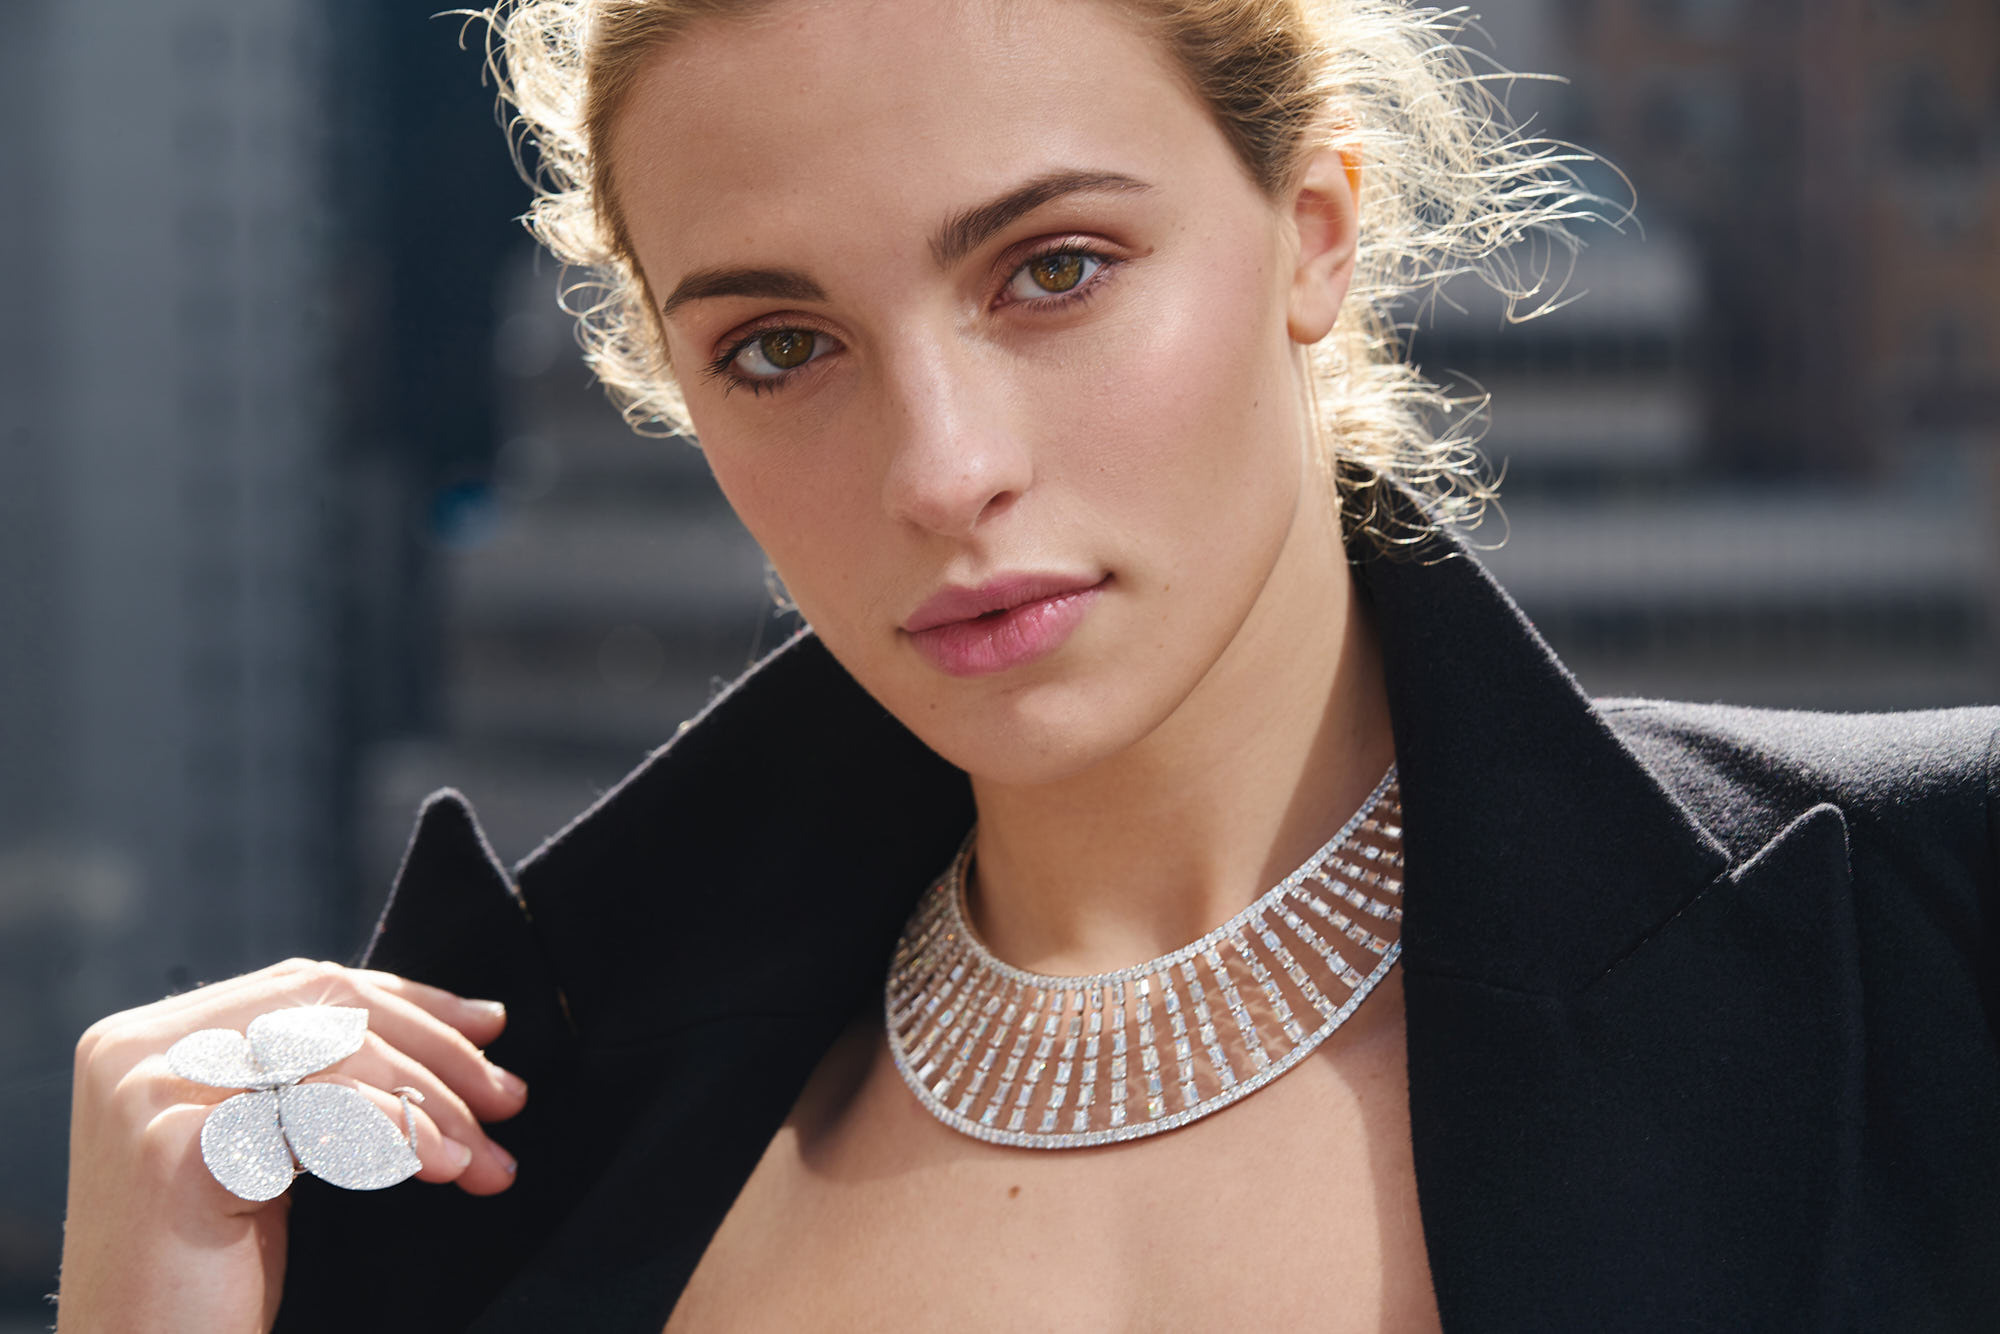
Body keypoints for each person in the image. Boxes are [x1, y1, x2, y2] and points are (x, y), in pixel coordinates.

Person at [56, 0, 1999, 1330]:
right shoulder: (475, 1162)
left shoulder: (1931, 936)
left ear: (1313, 232)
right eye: (781, 347)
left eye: (1053, 267)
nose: (940, 469)